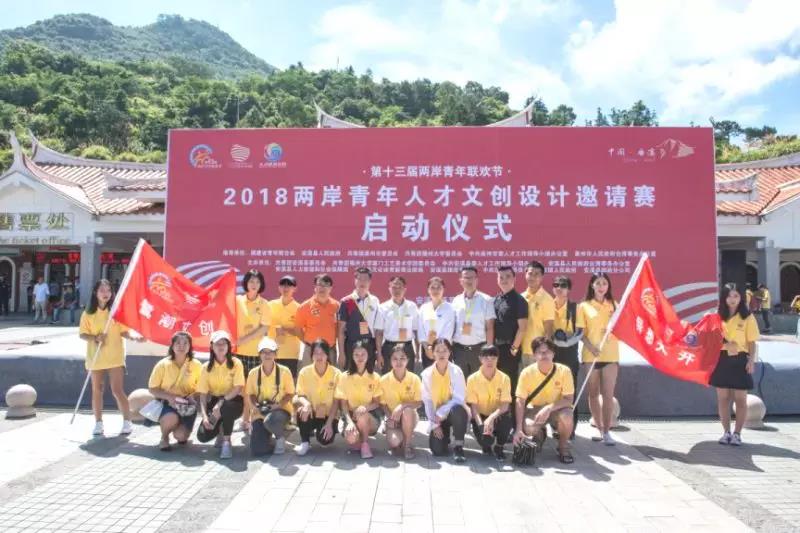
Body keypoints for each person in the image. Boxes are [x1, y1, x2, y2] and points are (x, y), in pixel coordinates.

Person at [78, 279, 142, 437]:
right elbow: (83, 334)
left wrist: (134, 337)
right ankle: (98, 423)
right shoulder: (88, 313)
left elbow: (124, 331)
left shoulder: (116, 312)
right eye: (102, 290)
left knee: (117, 390)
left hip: (115, 356)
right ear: (95, 293)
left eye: (108, 290)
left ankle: (127, 421)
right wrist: (95, 338)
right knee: (97, 390)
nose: (105, 293)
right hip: (96, 357)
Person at [710, 283, 760, 446]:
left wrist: (751, 361)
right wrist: (726, 346)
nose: (732, 299)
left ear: (741, 298)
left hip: (740, 360)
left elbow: (751, 342)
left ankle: (737, 434)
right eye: (729, 296)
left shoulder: (747, 317)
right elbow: (710, 340)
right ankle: (726, 432)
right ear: (723, 298)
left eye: (736, 296)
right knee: (723, 399)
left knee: (740, 399)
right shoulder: (716, 316)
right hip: (721, 360)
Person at [513, 337, 575, 464]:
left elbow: (569, 400)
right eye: (540, 352)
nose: (544, 355)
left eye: (547, 351)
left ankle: (563, 446)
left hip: (557, 409)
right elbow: (520, 401)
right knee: (528, 427)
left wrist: (549, 408)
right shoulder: (527, 373)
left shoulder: (564, 371)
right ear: (534, 355)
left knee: (567, 415)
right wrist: (518, 429)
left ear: (553, 353)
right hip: (535, 410)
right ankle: (540, 435)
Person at [575, 272, 619, 445]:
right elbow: (580, 333)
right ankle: (599, 428)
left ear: (608, 286)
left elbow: (622, 327)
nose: (601, 287)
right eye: (598, 283)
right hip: (590, 355)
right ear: (592, 285)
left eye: (604, 283)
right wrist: (591, 347)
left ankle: (607, 431)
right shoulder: (584, 306)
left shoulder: (615, 305)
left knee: (608, 394)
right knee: (593, 393)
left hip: (611, 354)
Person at [147, 332, 203, 451]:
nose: (181, 346)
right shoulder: (163, 365)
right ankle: (164, 437)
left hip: (187, 406)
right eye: (178, 343)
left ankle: (179, 429)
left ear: (190, 346)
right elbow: (152, 388)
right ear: (172, 346)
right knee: (171, 418)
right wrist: (169, 397)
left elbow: (202, 387)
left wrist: (193, 396)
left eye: (185, 343)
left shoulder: (197, 365)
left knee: (181, 437)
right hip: (168, 403)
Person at [196, 330, 245, 459]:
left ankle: (226, 442)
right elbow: (202, 395)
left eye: (224, 343)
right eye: (217, 343)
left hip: (234, 401)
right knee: (203, 436)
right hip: (215, 402)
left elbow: (238, 388)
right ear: (212, 347)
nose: (221, 346)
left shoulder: (236, 363)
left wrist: (221, 403)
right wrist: (205, 416)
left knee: (226, 408)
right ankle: (220, 431)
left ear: (229, 346)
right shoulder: (206, 367)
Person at [245, 337, 295, 456]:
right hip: (260, 412)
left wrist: (278, 405)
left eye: (270, 352)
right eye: (264, 352)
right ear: (259, 354)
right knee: (257, 450)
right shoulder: (253, 373)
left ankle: (280, 437)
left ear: (275, 354)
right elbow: (250, 394)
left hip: (280, 411)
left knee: (271, 421)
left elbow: (290, 393)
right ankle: (268, 441)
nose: (267, 355)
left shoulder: (284, 371)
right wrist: (256, 405)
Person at [421, 339, 468, 463]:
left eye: (444, 350)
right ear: (432, 353)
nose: (441, 354)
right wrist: (434, 425)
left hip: (452, 413)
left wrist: (442, 411)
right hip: (437, 418)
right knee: (437, 451)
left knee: (459, 409)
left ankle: (458, 446)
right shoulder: (427, 374)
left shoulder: (456, 371)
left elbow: (459, 398)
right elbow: (427, 401)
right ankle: (445, 436)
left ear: (450, 352)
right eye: (438, 351)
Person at [236, 269, 271, 430]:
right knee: (241, 389)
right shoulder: (237, 301)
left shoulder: (264, 304)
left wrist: (244, 339)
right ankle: (244, 419)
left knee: (252, 389)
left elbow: (264, 328)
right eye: (251, 281)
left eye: (257, 282)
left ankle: (249, 420)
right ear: (246, 283)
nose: (254, 284)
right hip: (237, 352)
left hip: (255, 353)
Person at [336, 340, 383, 459]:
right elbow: (343, 406)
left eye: (363, 354)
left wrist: (365, 408)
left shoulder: (375, 377)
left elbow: (377, 403)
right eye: (356, 355)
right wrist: (350, 422)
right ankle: (358, 440)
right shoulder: (344, 377)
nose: (360, 357)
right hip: (350, 416)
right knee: (351, 438)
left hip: (370, 417)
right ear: (351, 356)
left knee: (362, 414)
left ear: (368, 355)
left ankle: (365, 444)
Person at [294, 340, 341, 456]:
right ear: (311, 355)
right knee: (301, 409)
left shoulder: (336, 374)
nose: (319, 356)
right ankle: (305, 442)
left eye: (322, 353)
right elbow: (300, 394)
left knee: (325, 441)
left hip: (329, 415)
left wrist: (329, 424)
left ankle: (325, 430)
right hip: (311, 412)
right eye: (316, 353)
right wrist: (307, 404)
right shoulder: (305, 372)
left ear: (327, 355)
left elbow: (336, 402)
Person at [466, 344, 513, 461]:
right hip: (480, 416)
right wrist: (481, 426)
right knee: (485, 441)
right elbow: (473, 407)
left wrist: (491, 418)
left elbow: (505, 405)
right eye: (486, 357)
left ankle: (499, 446)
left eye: (493, 358)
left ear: (497, 359)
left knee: (507, 419)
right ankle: (486, 445)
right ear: (480, 359)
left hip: (497, 414)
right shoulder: (472, 379)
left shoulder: (505, 378)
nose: (489, 361)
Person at [380, 344, 423, 459]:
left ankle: (407, 444)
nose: (398, 362)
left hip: (410, 416)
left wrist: (402, 406)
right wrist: (390, 417)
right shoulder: (383, 380)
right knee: (394, 442)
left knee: (407, 410)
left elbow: (419, 402)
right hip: (392, 418)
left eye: (402, 358)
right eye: (395, 359)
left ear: (408, 360)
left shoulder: (415, 379)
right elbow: (383, 404)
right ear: (390, 361)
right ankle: (403, 435)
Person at [451, 266, 496, 378]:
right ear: (461, 281)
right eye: (466, 278)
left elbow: (489, 327)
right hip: (459, 350)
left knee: (479, 381)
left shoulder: (486, 300)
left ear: (477, 280)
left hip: (479, 350)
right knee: (461, 382)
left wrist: (488, 351)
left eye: (472, 278)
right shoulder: (456, 300)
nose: (469, 281)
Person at [551, 275, 581, 438]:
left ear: (569, 289)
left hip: (569, 353)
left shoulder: (576, 308)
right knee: (552, 390)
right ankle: (555, 425)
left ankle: (570, 429)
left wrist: (565, 342)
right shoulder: (548, 305)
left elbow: (580, 332)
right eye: (556, 285)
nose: (559, 288)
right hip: (551, 353)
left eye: (563, 285)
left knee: (570, 391)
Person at [493, 266, 529, 395]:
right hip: (496, 348)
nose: (504, 280)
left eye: (508, 276)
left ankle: (511, 409)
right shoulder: (497, 299)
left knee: (509, 384)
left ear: (514, 278)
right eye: (501, 277)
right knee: (496, 384)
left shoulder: (519, 300)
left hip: (510, 349)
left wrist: (514, 348)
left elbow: (522, 327)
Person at [337, 267, 381, 369]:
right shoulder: (347, 301)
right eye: (359, 278)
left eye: (365, 279)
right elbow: (341, 330)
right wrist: (341, 353)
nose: (362, 282)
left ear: (370, 282)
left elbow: (378, 330)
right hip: (351, 345)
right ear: (355, 281)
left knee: (368, 375)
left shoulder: (375, 301)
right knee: (350, 375)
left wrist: (379, 353)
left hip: (369, 345)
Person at [375, 276, 419, 373]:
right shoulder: (383, 307)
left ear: (405, 289)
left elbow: (416, 331)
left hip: (407, 347)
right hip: (389, 347)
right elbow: (379, 333)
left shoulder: (412, 307)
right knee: (388, 378)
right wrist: (379, 354)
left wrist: (417, 351)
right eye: (394, 287)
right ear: (389, 289)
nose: (397, 290)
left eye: (400, 287)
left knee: (408, 378)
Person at [295, 273, 340, 368]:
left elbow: (340, 328)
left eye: (326, 285)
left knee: (330, 376)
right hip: (311, 350)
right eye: (319, 284)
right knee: (308, 375)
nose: (322, 288)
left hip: (330, 350)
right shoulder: (304, 307)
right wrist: (308, 343)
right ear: (315, 287)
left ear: (330, 288)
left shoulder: (337, 306)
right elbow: (298, 329)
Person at [520, 261, 555, 370]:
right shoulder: (521, 297)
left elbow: (549, 329)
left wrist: (544, 352)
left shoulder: (547, 299)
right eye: (530, 273)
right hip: (521, 350)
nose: (533, 277)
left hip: (537, 352)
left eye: (536, 274)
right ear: (525, 274)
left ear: (542, 277)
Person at [417, 276, 456, 369]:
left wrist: (438, 349)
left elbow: (448, 331)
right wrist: (427, 348)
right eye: (432, 287)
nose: (436, 290)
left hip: (444, 350)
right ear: (428, 290)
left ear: (443, 289)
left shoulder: (450, 308)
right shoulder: (424, 308)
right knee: (428, 375)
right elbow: (421, 331)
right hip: (427, 351)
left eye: (439, 287)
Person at [268, 275, 302, 379]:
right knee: (271, 382)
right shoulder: (270, 305)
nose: (285, 288)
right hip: (271, 351)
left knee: (288, 384)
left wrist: (286, 329)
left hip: (290, 353)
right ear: (279, 288)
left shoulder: (299, 308)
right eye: (283, 285)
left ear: (295, 289)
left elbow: (301, 332)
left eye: (289, 285)